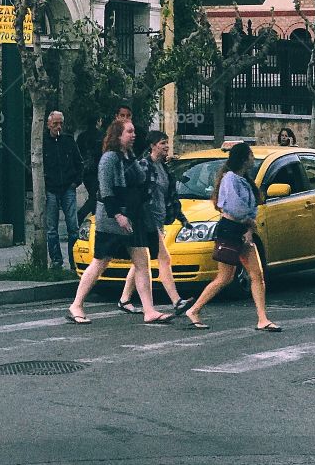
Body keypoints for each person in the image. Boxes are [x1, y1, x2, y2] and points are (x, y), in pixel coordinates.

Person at [68, 117, 171, 324]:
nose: (134, 135)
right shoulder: (109, 159)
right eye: (129, 132)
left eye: (133, 132)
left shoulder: (128, 156)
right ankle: (76, 305)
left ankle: (149, 311)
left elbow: (140, 180)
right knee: (100, 263)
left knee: (142, 263)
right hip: (112, 220)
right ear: (118, 135)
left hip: (132, 218)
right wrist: (118, 215)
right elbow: (106, 191)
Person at [184, 142, 281, 333]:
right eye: (251, 155)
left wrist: (249, 227)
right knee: (225, 277)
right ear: (244, 158)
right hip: (230, 230)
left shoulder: (244, 179)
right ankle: (194, 310)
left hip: (242, 230)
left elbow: (252, 206)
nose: (253, 158)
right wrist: (249, 221)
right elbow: (234, 207)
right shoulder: (230, 179)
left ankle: (262, 318)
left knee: (257, 275)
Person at [118, 131, 193, 317]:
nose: (166, 146)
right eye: (162, 143)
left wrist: (182, 218)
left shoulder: (165, 168)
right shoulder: (144, 166)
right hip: (147, 222)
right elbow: (137, 194)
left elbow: (169, 198)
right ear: (152, 146)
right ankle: (176, 301)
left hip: (158, 221)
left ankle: (124, 299)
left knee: (139, 262)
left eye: (167, 143)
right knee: (164, 259)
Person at [43, 110, 82, 269]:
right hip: (51, 188)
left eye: (60, 124)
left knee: (73, 226)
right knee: (52, 228)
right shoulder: (43, 142)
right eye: (55, 124)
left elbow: (79, 163)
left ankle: (74, 261)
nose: (58, 127)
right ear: (48, 124)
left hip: (68, 187)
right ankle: (56, 260)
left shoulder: (68, 141)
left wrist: (75, 182)